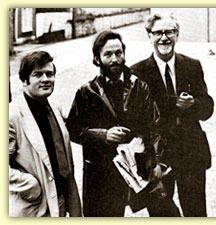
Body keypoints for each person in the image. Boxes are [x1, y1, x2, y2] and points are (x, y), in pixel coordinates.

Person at [66, 31, 160, 217]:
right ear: (97, 58)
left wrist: (156, 161)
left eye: (118, 53)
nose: (115, 59)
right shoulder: (87, 92)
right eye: (108, 54)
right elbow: (72, 129)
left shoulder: (140, 87)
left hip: (135, 168)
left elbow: (154, 126)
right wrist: (103, 135)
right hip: (100, 173)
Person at [131, 12, 214, 217]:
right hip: (158, 158)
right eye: (158, 32)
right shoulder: (137, 72)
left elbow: (207, 107)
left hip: (191, 154)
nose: (164, 38)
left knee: (196, 213)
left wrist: (193, 104)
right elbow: (135, 120)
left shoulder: (192, 65)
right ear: (149, 36)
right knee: (161, 214)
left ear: (177, 34)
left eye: (170, 32)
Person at [9, 51, 82, 217]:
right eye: (38, 75)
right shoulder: (11, 115)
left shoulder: (55, 108)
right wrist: (30, 186)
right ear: (24, 80)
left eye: (50, 74)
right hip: (33, 207)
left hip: (60, 201)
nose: (46, 79)